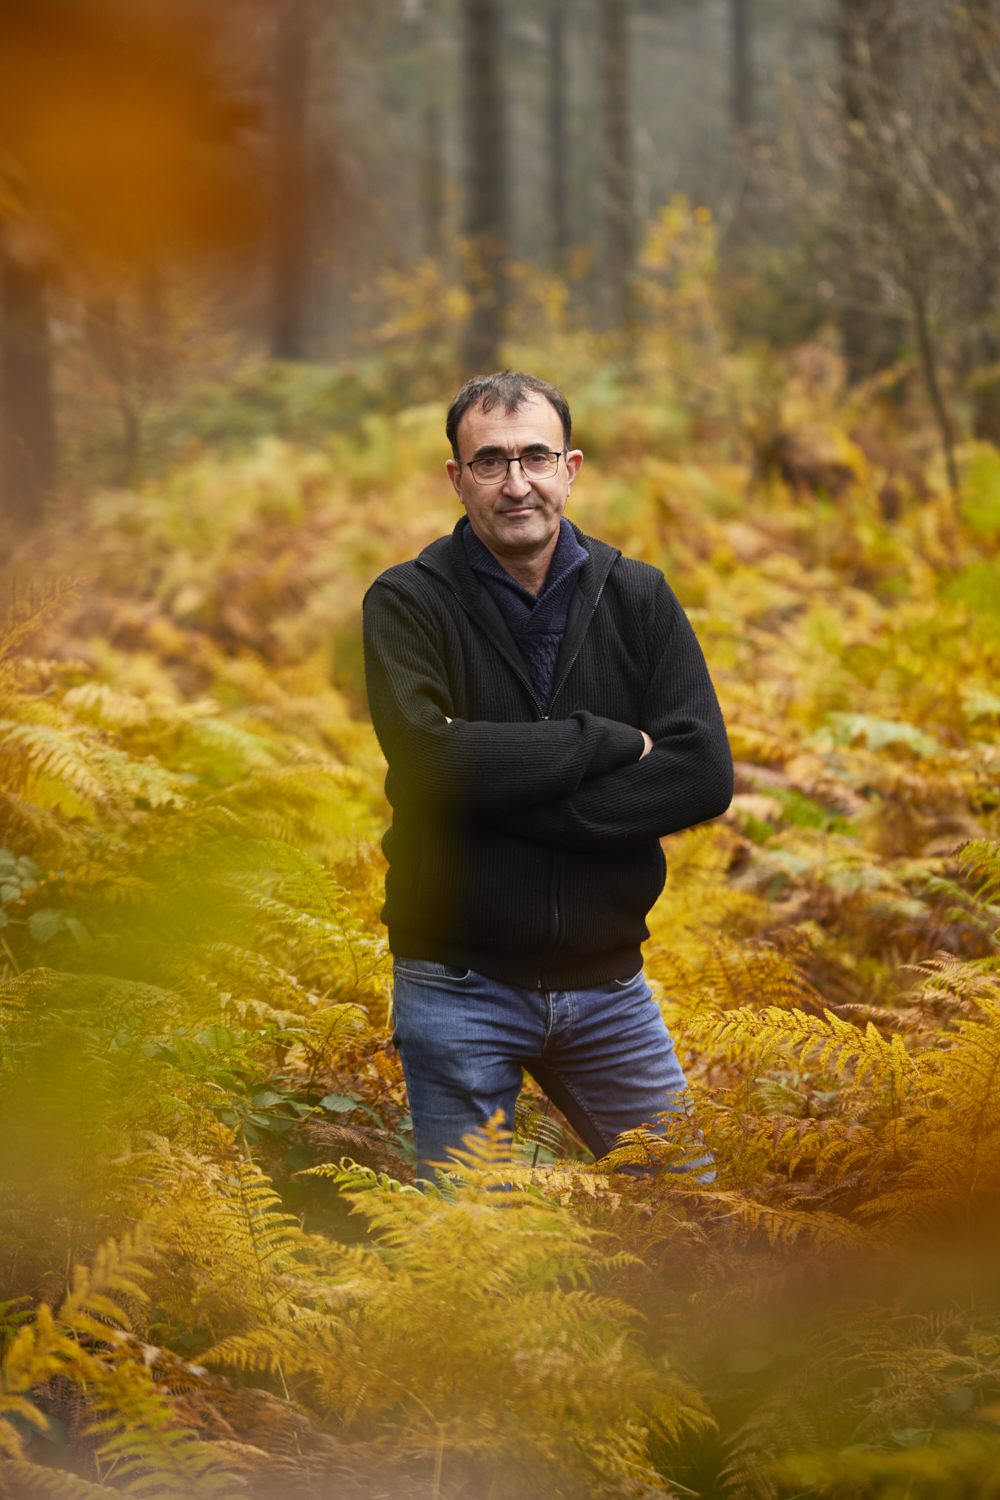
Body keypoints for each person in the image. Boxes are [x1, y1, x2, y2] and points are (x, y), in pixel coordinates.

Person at [362, 371, 733, 1185]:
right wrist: (606, 740)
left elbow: (702, 774)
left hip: (609, 986)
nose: (516, 483)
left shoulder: (638, 596)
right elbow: (428, 763)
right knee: (471, 1254)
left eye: (535, 456)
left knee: (697, 1216)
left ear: (572, 466)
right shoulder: (406, 603)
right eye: (490, 462)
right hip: (457, 985)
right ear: (456, 480)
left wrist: (489, 789)